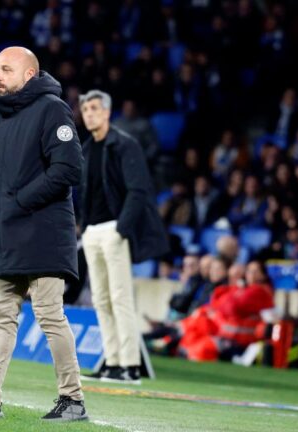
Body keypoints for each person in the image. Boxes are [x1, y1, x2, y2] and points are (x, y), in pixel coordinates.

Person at [0, 46, 87, 421]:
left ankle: (72, 400)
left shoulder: (53, 109)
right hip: (5, 231)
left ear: (28, 74)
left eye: (5, 69)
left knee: (49, 315)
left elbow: (69, 168)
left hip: (42, 232)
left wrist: (20, 200)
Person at [76, 89, 168, 384]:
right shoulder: (88, 149)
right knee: (101, 299)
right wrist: (83, 226)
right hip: (92, 232)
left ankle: (129, 365)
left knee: (120, 297)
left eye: (93, 108)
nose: (88, 113)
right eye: (85, 109)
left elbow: (138, 190)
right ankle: (112, 362)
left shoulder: (125, 145)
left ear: (106, 112)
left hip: (114, 230)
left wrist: (121, 229)